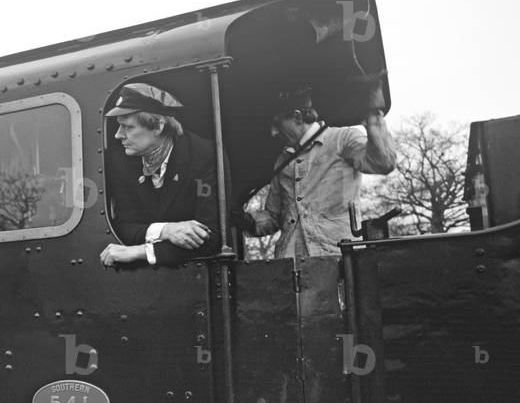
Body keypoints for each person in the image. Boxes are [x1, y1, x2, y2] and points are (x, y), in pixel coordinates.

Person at [232, 85, 396, 258]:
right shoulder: (282, 160)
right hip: (292, 265)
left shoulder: (343, 139)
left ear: (297, 117)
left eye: (277, 123)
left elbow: (383, 162)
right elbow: (274, 216)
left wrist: (374, 115)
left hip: (339, 259)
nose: (273, 133)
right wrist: (248, 221)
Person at [99, 83, 220, 267]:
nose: (118, 135)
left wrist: (141, 251)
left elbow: (211, 238)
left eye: (128, 127)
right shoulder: (120, 163)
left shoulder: (204, 155)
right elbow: (124, 226)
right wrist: (166, 230)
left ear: (158, 126)